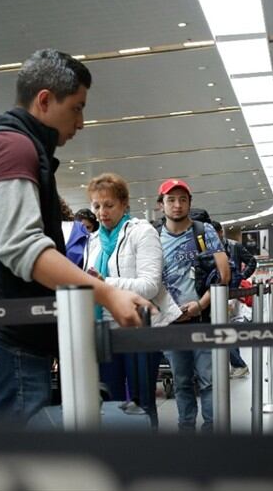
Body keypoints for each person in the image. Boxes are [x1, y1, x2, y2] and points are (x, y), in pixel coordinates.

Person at [0, 48, 150, 426]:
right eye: (76, 107)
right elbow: (22, 249)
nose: (81, 122)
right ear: (44, 100)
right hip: (5, 345)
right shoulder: (11, 147)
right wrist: (105, 293)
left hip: (3, 341)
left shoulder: (6, 142)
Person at [82, 172, 181, 425]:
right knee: (111, 402)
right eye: (97, 206)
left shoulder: (142, 232)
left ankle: (147, 458)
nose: (102, 212)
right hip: (105, 331)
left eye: (109, 205)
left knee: (142, 401)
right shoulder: (93, 241)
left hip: (139, 328)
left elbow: (149, 285)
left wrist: (104, 283)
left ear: (125, 204)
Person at [158, 178, 230, 432]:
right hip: (171, 322)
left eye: (183, 200)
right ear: (161, 205)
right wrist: (171, 310)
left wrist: (200, 305)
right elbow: (149, 280)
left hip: (202, 318)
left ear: (189, 203)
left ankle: (212, 432)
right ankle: (186, 431)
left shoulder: (204, 232)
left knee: (209, 380)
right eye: (171, 200)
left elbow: (224, 274)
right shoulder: (154, 237)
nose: (177, 205)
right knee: (181, 381)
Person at [211, 221, 257, 379]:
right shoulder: (208, 247)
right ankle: (236, 364)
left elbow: (252, 261)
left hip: (231, 294)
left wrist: (241, 277)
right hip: (215, 292)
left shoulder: (234, 246)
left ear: (220, 233)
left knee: (225, 328)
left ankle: (239, 364)